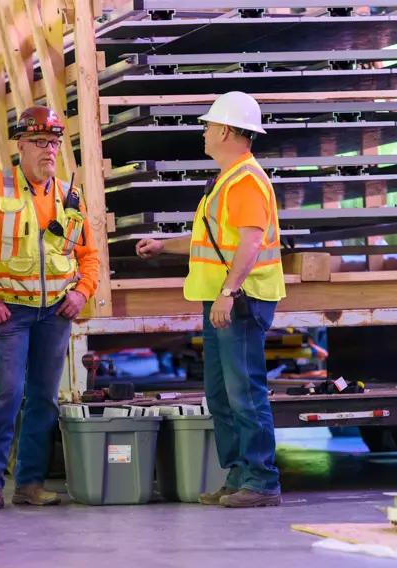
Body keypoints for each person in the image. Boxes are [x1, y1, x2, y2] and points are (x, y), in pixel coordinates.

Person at [136, 91, 286, 508]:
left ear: (223, 129)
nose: (203, 133)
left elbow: (251, 244)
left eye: (207, 125)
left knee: (245, 392)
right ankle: (240, 475)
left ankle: (261, 481)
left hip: (240, 301)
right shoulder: (225, 180)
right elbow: (211, 240)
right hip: (223, 300)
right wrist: (163, 246)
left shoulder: (246, 180)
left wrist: (227, 292)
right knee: (221, 395)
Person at [0, 105, 100, 510]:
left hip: (55, 312)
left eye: (54, 142)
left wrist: (81, 293)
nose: (49, 150)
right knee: (7, 393)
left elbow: (89, 255)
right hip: (10, 314)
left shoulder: (70, 196)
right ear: (20, 145)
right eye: (39, 142)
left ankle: (29, 483)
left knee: (44, 399)